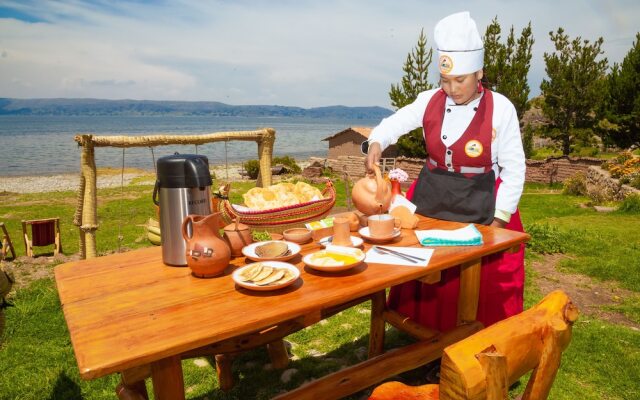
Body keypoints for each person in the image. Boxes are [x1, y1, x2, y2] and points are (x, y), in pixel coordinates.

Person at [364, 11, 526, 333]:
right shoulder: (429, 101)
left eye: (460, 80)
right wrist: (376, 143)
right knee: (429, 271)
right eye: (445, 81)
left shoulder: (501, 108)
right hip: (433, 197)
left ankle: (474, 343)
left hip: (479, 200)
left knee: (475, 283)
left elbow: (514, 168)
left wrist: (499, 221)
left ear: (478, 72)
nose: (451, 89)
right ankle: (427, 338)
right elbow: (395, 123)